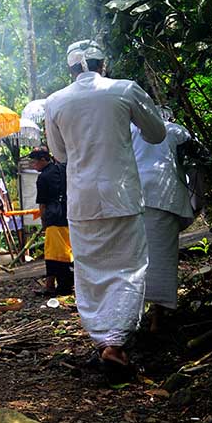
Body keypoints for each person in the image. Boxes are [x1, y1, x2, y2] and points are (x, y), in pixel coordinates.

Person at [45, 39, 165, 382]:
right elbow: (156, 134)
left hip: (82, 201)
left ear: (70, 70)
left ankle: (104, 341)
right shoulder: (125, 90)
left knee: (91, 271)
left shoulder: (56, 102)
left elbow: (60, 154)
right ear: (104, 64)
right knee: (128, 268)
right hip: (122, 195)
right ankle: (117, 342)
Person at [131, 113, 194, 332]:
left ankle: (134, 317)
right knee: (162, 259)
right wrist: (195, 201)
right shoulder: (177, 130)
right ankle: (157, 318)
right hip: (164, 194)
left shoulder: (132, 130)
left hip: (135, 194)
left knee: (135, 257)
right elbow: (196, 162)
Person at [29, 146, 74, 296]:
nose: (33, 165)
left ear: (43, 160)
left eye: (35, 162)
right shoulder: (62, 169)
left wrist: (44, 221)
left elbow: (42, 203)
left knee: (56, 255)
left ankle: (62, 287)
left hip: (54, 217)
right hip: (68, 213)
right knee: (65, 251)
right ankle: (51, 285)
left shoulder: (43, 178)